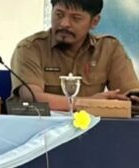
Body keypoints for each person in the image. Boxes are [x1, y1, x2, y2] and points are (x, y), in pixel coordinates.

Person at [11, 0, 139, 114]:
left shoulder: (109, 48)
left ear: (94, 22)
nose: (64, 23)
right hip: (39, 128)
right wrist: (89, 103)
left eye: (75, 18)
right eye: (59, 15)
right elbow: (32, 97)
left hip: (94, 128)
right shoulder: (30, 48)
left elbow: (129, 94)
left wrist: (133, 101)